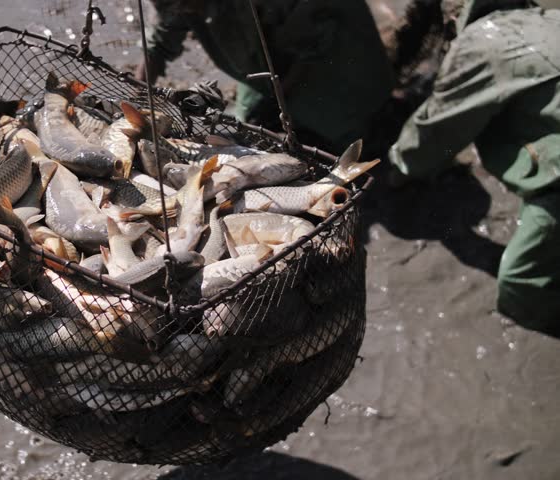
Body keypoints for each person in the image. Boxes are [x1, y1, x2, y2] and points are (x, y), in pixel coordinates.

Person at [388, 0, 560, 334]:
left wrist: (399, 169)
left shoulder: (480, 43)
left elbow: (437, 131)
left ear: (454, 18)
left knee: (521, 285)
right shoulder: (551, 18)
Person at [137, 0, 395, 154]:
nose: (183, 10)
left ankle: (374, 129)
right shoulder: (180, 6)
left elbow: (315, 43)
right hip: (265, 55)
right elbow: (160, 42)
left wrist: (279, 97)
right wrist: (137, 93)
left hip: (331, 52)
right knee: (248, 124)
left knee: (341, 131)